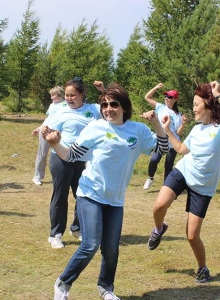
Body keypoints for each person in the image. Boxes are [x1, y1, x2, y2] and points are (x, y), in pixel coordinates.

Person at [42, 83, 169, 300]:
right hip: (90, 194)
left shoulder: (137, 131)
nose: (108, 108)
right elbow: (71, 156)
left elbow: (162, 148)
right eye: (104, 104)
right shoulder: (95, 128)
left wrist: (156, 122)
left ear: (124, 106)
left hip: (115, 200)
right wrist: (55, 145)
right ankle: (63, 284)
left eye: (114, 104)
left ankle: (106, 288)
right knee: (91, 244)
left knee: (111, 250)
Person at [147, 81, 220, 284]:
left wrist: (218, 95)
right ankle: (158, 229)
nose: (194, 108)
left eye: (197, 104)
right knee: (159, 205)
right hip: (184, 171)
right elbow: (181, 149)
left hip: (203, 187)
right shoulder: (196, 130)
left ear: (208, 105)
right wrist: (168, 129)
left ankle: (202, 268)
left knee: (192, 236)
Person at [46, 77, 104, 249]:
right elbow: (47, 129)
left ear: (82, 95)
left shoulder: (93, 109)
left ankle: (77, 228)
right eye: (67, 95)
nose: (69, 98)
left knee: (83, 196)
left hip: (84, 160)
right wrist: (46, 133)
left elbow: (113, 102)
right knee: (60, 196)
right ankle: (55, 234)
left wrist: (103, 90)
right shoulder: (61, 111)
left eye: (73, 95)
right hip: (61, 158)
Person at [143, 83, 187, 190]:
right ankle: (150, 178)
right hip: (162, 140)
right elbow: (147, 97)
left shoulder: (178, 115)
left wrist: (183, 124)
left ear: (175, 99)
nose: (167, 98)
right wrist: (156, 88)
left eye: (170, 97)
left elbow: (178, 133)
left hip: (173, 142)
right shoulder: (161, 107)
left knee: (168, 165)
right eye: (166, 96)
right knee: (154, 160)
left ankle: (165, 187)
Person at [31, 86, 66, 186]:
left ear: (59, 95)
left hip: (58, 132)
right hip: (45, 131)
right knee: (42, 154)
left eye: (53, 95)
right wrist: (39, 128)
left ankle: (61, 176)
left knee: (60, 154)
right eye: (51, 95)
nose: (51, 98)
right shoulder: (52, 105)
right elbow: (48, 119)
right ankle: (37, 176)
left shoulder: (65, 105)